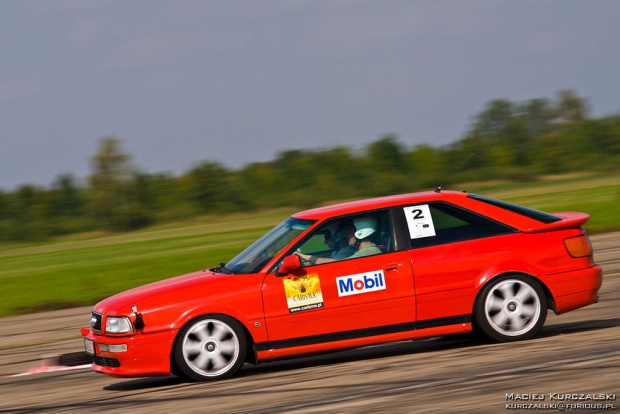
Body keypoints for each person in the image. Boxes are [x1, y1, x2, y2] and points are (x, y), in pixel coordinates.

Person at [296, 216, 380, 265]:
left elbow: (338, 264)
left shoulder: (369, 251)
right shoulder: (366, 250)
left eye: (348, 230)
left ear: (361, 230)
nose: (346, 234)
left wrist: (306, 257)